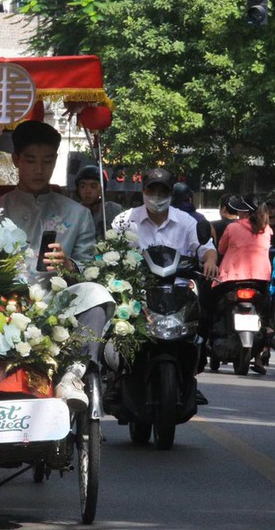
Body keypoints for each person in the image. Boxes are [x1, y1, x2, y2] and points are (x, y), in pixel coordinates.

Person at [0, 120, 115, 410]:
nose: (39, 169)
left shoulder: (77, 213)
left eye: (47, 161)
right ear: (16, 160)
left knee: (97, 294)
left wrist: (69, 264)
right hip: (2, 301)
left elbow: (89, 266)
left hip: (57, 304)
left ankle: (74, 374)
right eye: (30, 161)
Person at [112, 167, 218, 404]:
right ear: (143, 191)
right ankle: (117, 379)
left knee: (204, 315)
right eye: (152, 190)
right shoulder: (124, 220)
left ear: (171, 194)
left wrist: (210, 259)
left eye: (163, 191)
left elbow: (205, 247)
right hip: (136, 291)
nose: (157, 196)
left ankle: (192, 372)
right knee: (115, 328)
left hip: (178, 292)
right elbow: (109, 250)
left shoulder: (186, 221)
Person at [217, 194, 273, 375]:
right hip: (260, 281)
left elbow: (220, 249)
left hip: (231, 279)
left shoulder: (232, 227)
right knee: (264, 314)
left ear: (244, 212)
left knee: (211, 307)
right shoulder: (267, 230)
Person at [74, 164, 123, 238]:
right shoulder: (73, 212)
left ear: (102, 189)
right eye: (83, 186)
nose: (88, 191)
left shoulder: (114, 209)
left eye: (93, 186)